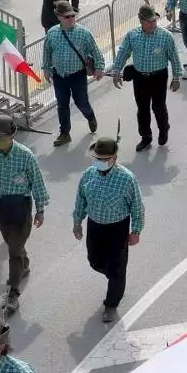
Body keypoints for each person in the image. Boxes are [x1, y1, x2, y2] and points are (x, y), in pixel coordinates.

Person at [0, 115, 49, 316]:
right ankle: (24, 264)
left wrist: (40, 209)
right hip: (0, 208)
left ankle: (13, 292)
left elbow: (37, 183)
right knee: (13, 244)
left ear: (11, 137)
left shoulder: (25, 156)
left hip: (21, 207)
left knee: (13, 248)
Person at [72, 136, 144, 323]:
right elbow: (81, 198)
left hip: (117, 229)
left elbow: (137, 206)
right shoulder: (89, 174)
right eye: (97, 158)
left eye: (104, 159)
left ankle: (111, 303)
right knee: (94, 261)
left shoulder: (127, 179)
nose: (99, 162)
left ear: (114, 158)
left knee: (117, 267)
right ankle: (114, 277)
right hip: (95, 225)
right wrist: (77, 221)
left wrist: (136, 231)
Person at [110, 5, 182, 151]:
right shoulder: (132, 35)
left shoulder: (165, 36)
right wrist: (116, 71)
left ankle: (163, 128)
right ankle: (146, 137)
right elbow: (124, 52)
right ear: (141, 21)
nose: (153, 24)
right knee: (142, 108)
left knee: (159, 107)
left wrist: (176, 77)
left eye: (154, 21)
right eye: (149, 21)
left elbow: (174, 57)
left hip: (159, 77)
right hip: (140, 77)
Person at [42, 1, 104, 147]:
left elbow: (96, 52)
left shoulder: (84, 33)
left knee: (81, 101)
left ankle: (90, 116)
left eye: (72, 16)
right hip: (59, 75)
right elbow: (47, 52)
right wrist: (46, 68)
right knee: (62, 104)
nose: (71, 19)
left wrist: (100, 68)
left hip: (78, 75)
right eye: (67, 17)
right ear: (58, 17)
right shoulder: (52, 33)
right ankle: (65, 133)